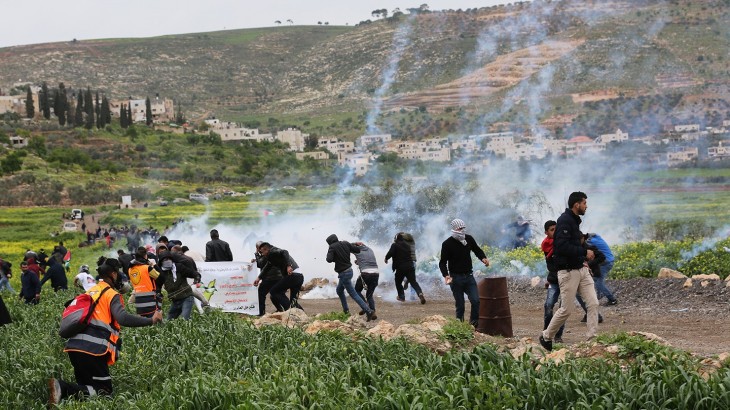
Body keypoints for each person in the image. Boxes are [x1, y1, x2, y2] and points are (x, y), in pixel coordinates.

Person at [48, 263, 163, 404]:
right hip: (93, 350)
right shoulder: (111, 294)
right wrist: (151, 320)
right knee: (104, 392)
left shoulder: (91, 291)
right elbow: (123, 318)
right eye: (118, 273)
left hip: (74, 348)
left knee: (86, 390)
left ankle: (62, 394)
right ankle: (63, 387)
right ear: (113, 274)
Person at [540, 192, 600, 352]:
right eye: (584, 203)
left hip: (581, 269)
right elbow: (561, 247)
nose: (586, 206)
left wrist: (585, 252)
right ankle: (546, 336)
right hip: (568, 272)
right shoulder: (565, 221)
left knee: (593, 303)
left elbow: (574, 244)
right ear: (576, 205)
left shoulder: (573, 221)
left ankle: (592, 340)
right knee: (566, 309)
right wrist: (583, 251)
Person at [439, 218, 490, 326]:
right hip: (455, 278)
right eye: (459, 228)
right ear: (454, 229)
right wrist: (446, 275)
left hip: (469, 276)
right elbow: (442, 262)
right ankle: (459, 327)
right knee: (460, 305)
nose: (462, 230)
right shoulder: (447, 244)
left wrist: (483, 258)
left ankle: (473, 326)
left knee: (476, 301)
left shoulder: (469, 239)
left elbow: (477, 250)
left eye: (463, 228)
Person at [325, 234, 377, 321]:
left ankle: (369, 311)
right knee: (339, 290)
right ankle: (346, 311)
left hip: (343, 273)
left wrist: (333, 254)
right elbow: (357, 250)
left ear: (330, 242)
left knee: (353, 294)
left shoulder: (332, 247)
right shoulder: (345, 243)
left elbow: (329, 259)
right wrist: (353, 244)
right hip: (349, 271)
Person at [155, 251, 201, 320]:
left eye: (169, 259)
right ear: (161, 262)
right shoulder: (161, 272)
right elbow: (158, 284)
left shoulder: (179, 267)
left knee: (184, 319)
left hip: (186, 297)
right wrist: (158, 292)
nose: (168, 261)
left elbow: (191, 273)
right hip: (175, 301)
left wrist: (197, 276)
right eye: (165, 260)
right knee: (169, 321)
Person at [260, 242, 304, 311]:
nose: (262, 254)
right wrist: (259, 278)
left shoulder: (273, 251)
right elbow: (267, 267)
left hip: (293, 275)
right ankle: (302, 314)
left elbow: (285, 252)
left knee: (274, 291)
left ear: (266, 250)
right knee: (293, 302)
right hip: (299, 276)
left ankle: (289, 310)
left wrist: (289, 265)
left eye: (262, 252)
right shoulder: (272, 257)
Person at [541, 220, 565, 343]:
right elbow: (551, 266)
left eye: (556, 229)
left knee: (563, 308)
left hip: (566, 280)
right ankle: (547, 332)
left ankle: (558, 336)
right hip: (554, 280)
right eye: (552, 230)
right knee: (548, 305)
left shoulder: (563, 242)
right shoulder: (546, 245)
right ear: (546, 232)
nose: (555, 232)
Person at [385, 232, 425, 304]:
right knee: (413, 282)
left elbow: (390, 253)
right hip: (410, 266)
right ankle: (420, 293)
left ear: (396, 239)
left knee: (398, 281)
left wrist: (386, 258)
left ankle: (401, 296)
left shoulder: (395, 245)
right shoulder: (407, 245)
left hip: (401, 267)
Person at [585, 232, 618, 305]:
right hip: (608, 261)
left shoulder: (590, 242)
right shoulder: (596, 237)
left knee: (598, 283)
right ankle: (598, 296)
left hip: (606, 263)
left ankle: (612, 299)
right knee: (595, 278)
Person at [128, 247, 161, 318]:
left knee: (143, 322)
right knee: (155, 320)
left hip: (138, 301)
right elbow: (158, 276)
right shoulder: (147, 268)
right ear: (145, 256)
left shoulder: (130, 269)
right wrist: (153, 265)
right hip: (150, 300)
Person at [252, 241, 282, 316]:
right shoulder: (270, 251)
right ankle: (280, 309)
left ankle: (261, 312)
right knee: (275, 293)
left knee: (261, 293)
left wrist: (256, 254)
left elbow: (261, 264)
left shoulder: (266, 253)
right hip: (278, 276)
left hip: (270, 277)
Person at [353, 242, 380, 315]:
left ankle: (365, 306)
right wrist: (358, 261)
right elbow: (366, 259)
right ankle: (372, 311)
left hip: (366, 274)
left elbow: (348, 245)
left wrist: (355, 243)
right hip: (376, 274)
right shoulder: (370, 250)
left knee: (356, 291)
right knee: (369, 295)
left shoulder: (357, 250)